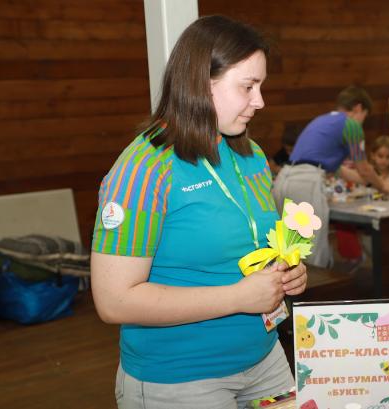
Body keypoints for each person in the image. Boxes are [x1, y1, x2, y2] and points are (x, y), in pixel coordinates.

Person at [90, 15, 307, 409]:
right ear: (202, 83)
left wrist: (286, 272)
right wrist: (238, 297)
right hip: (180, 380)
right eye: (248, 87)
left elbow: (251, 244)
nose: (260, 101)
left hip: (265, 360)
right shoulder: (144, 168)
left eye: (261, 86)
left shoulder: (251, 154)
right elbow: (114, 301)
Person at [271, 85, 389, 268]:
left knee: (289, 250)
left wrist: (370, 181)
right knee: (311, 253)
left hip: (284, 179)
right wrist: (383, 186)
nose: (362, 123)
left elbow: (344, 172)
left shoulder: (322, 121)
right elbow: (364, 168)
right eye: (364, 117)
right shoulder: (351, 125)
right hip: (305, 183)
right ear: (358, 108)